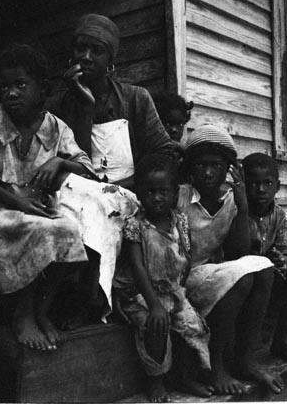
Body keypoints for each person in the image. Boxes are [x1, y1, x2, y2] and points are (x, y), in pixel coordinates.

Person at [0, 43, 98, 351]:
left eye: (21, 85)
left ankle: (41, 308)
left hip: (41, 209)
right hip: (1, 208)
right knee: (46, 229)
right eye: (5, 86)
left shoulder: (55, 126)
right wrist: (20, 202)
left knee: (74, 231)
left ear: (42, 90)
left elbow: (87, 167)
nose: (11, 93)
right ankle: (24, 313)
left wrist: (61, 162)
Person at [178, 125, 284, 395]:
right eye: (201, 165)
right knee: (240, 276)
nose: (208, 172)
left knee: (263, 266)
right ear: (191, 168)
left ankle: (245, 358)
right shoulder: (181, 196)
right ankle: (216, 366)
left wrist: (242, 205)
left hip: (211, 273)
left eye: (216, 165)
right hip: (182, 276)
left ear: (228, 168)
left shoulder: (231, 199)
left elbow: (239, 252)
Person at [113, 154, 211, 403]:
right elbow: (137, 266)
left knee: (193, 325)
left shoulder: (180, 221)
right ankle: (155, 379)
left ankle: (184, 377)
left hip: (171, 289)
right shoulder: (135, 224)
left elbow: (185, 256)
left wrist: (178, 293)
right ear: (139, 193)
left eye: (163, 192)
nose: (157, 197)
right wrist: (155, 304)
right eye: (150, 191)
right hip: (140, 291)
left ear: (175, 193)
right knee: (155, 324)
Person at [45, 13, 174, 190]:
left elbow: (164, 155)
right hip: (75, 200)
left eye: (97, 51)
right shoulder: (56, 106)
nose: (86, 57)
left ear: (110, 61)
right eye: (81, 48)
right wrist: (85, 108)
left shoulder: (136, 99)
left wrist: (115, 189)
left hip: (129, 196)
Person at [242, 152, 287, 364]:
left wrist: (283, 260)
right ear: (243, 184)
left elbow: (285, 248)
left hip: (269, 279)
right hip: (244, 280)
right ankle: (246, 351)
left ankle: (280, 340)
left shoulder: (278, 215)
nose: (260, 189)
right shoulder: (238, 211)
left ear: (277, 186)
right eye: (253, 184)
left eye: (267, 183)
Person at [153, 92, 193, 168]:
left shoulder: (181, 153)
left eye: (180, 124)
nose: (174, 130)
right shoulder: (150, 151)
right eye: (167, 124)